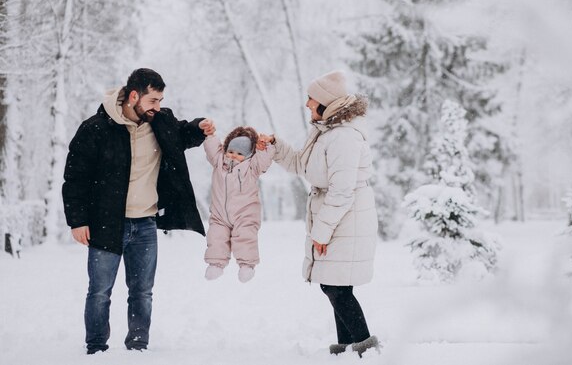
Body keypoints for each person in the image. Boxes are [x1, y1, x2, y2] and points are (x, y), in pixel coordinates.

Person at [62, 68, 215, 355]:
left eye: (160, 100)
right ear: (134, 96)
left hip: (145, 223)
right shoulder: (95, 128)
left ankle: (138, 347)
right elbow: (76, 177)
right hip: (107, 223)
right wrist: (78, 221)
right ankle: (95, 349)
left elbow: (183, 133)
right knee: (99, 292)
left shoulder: (160, 122)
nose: (157, 107)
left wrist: (200, 127)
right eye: (153, 100)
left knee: (142, 292)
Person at [259, 70, 380, 357]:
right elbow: (303, 166)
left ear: (327, 101)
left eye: (311, 99)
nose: (307, 104)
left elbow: (341, 191)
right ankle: (349, 350)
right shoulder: (326, 132)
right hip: (340, 215)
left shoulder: (344, 137)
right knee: (335, 284)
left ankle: (364, 349)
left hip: (347, 217)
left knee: (335, 286)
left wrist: (322, 231)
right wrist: (276, 146)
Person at [203, 126, 274, 283]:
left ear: (248, 154)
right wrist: (210, 136)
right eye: (231, 151)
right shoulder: (219, 162)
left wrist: (264, 147)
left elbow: (263, 160)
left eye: (240, 154)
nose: (234, 156)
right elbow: (212, 150)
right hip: (220, 214)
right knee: (216, 236)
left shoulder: (252, 167)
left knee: (245, 237)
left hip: (245, 214)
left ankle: (247, 265)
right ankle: (216, 264)